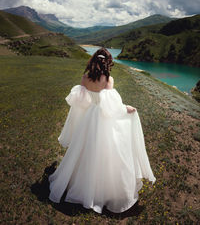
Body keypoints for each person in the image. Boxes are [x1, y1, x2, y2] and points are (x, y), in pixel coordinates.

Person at [48, 47, 156, 214]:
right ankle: (105, 190)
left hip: (90, 117)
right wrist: (127, 108)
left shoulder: (85, 78)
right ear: (107, 62)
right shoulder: (108, 79)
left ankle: (79, 183)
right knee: (109, 151)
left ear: (93, 61)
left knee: (84, 149)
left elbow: (82, 101)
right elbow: (111, 106)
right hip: (103, 118)